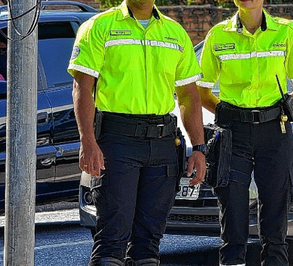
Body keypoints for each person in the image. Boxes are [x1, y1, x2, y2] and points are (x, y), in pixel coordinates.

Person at [67, 0, 206, 265]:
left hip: (163, 143)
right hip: (117, 141)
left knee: (148, 244)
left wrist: (198, 149)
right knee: (112, 239)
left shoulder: (175, 33)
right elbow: (82, 88)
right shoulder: (98, 27)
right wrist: (88, 141)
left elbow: (188, 96)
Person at [196, 0, 293, 264]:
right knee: (233, 213)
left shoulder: (286, 32)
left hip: (275, 131)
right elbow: (202, 92)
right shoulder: (218, 35)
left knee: (275, 215)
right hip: (233, 134)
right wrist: (230, 116)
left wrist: (274, 114)